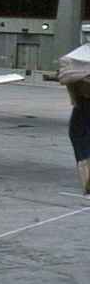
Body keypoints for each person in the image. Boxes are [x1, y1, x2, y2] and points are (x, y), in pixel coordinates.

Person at [59, 45, 90, 194]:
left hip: (85, 104)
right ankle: (86, 177)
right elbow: (64, 78)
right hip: (83, 104)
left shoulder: (78, 61)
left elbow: (65, 77)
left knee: (79, 136)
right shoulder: (79, 59)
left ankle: (87, 180)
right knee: (78, 136)